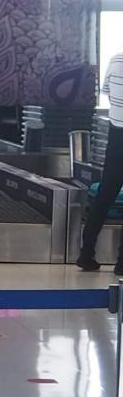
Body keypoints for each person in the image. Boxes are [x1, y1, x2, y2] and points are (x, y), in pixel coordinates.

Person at [78, 51, 123, 272]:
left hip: (116, 135)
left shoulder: (115, 59)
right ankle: (122, 263)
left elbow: (106, 91)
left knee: (105, 195)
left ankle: (86, 253)